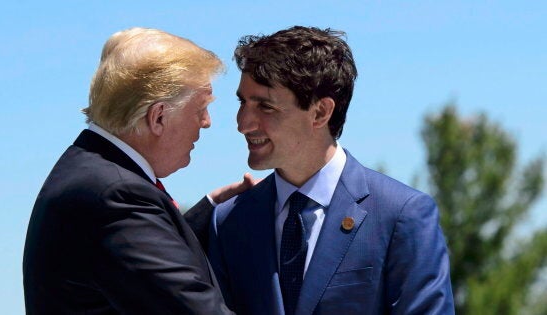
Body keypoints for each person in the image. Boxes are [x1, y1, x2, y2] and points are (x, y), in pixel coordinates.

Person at [209, 26, 455, 314]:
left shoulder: (402, 214)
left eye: (265, 106)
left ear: (321, 112)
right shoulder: (228, 222)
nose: (243, 123)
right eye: (242, 102)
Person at [23, 27, 253, 314]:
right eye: (200, 108)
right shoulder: (114, 196)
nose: (206, 122)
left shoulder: (94, 172)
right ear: (158, 117)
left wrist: (210, 210)